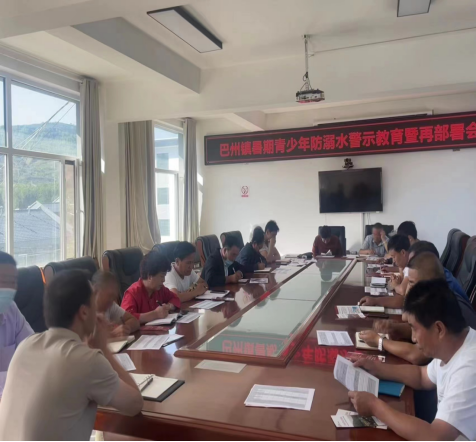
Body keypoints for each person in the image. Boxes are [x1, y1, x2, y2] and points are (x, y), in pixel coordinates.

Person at [0, 270, 143, 441]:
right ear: (84, 312)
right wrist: (103, 349)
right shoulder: (88, 361)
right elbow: (135, 404)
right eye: (93, 302)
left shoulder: (25, 346)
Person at [349, 280, 476, 442]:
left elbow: (434, 437)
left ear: (439, 329)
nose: (413, 338)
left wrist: (374, 406)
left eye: (414, 329)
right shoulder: (455, 344)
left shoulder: (469, 368)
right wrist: (376, 368)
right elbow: (422, 376)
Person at [359, 252, 476, 365]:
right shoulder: (438, 294)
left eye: (411, 282)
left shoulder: (444, 305)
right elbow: (424, 327)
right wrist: (394, 328)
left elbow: (418, 355)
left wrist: (379, 341)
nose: (407, 287)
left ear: (428, 282)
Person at [0, 252, 33, 396]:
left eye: (12, 282)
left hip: (15, 396)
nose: (9, 288)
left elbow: (32, 349)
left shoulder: (11, 309)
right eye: (3, 281)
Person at [121, 251, 181, 325]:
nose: (164, 280)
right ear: (149, 276)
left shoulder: (160, 289)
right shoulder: (132, 293)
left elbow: (175, 298)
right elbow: (125, 319)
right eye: (162, 276)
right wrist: (155, 314)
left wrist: (169, 306)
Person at [359, 234, 411, 309]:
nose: (393, 261)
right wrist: (397, 281)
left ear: (403, 253)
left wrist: (395, 285)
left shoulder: (412, 266)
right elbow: (402, 282)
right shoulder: (405, 265)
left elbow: (402, 292)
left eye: (394, 257)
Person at [93, 271, 140, 337]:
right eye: (109, 295)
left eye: (114, 297)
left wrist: (123, 329)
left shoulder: (111, 305)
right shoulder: (84, 311)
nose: (112, 300)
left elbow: (135, 322)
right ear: (95, 290)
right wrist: (111, 334)